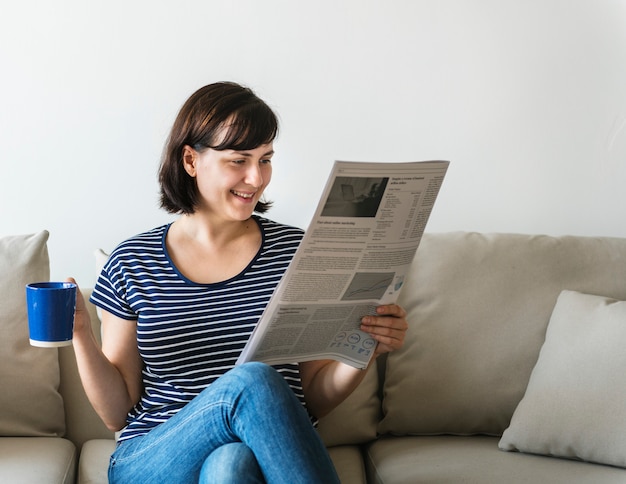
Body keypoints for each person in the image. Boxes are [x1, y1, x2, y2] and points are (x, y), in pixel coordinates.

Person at [69, 81, 408, 484]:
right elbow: (116, 412)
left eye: (266, 159)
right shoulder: (132, 262)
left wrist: (362, 349)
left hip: (261, 458)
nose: (257, 177)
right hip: (155, 457)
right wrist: (80, 335)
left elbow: (313, 398)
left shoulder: (299, 253)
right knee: (252, 380)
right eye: (239, 160)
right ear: (191, 160)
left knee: (231, 465)